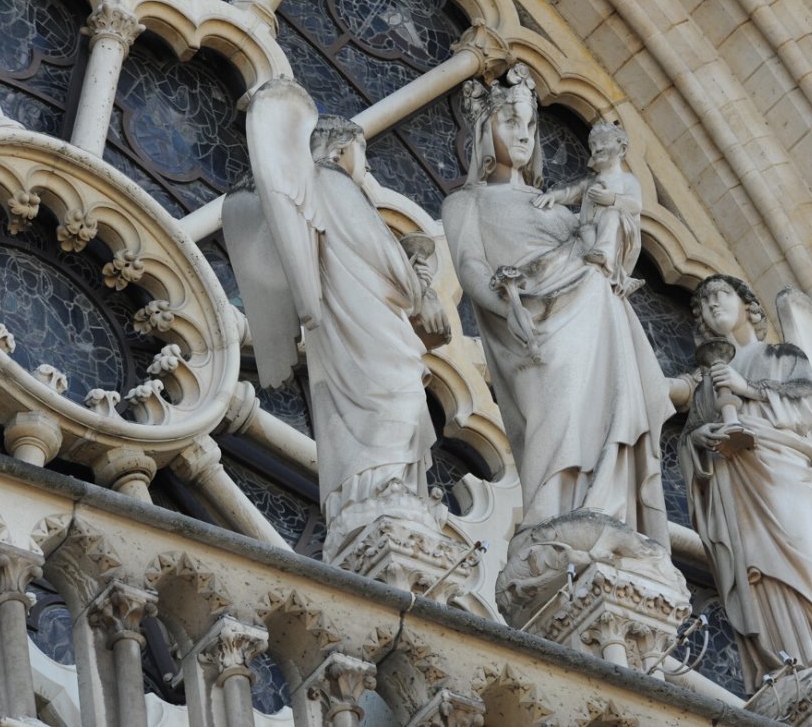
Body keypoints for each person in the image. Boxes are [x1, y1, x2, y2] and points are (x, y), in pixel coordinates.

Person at [442, 64, 673, 549]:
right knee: (556, 409)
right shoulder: (468, 203)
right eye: (510, 123)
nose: (523, 135)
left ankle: (602, 502)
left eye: (529, 126)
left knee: (603, 409)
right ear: (486, 132)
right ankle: (552, 508)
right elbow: (471, 267)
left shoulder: (557, 206)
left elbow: (605, 241)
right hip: (534, 322)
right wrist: (508, 309)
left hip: (593, 313)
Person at [224, 79, 449, 559]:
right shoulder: (332, 183)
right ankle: (381, 486)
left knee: (376, 409)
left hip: (358, 321)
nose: (366, 169)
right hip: (368, 325)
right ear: (345, 149)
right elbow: (378, 255)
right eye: (363, 155)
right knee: (395, 401)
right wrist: (416, 284)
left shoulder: (324, 191)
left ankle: (376, 489)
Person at [677, 274, 812, 690]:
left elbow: (809, 407)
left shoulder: (781, 355)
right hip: (733, 487)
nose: (712, 307)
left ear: (748, 306)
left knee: (805, 555)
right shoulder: (708, 382)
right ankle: (780, 663)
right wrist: (700, 439)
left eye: (720, 296)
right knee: (752, 569)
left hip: (779, 474)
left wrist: (749, 389)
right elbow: (692, 436)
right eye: (703, 305)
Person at [531, 122, 644, 296]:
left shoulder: (627, 180)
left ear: (621, 149)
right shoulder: (591, 181)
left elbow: (636, 205)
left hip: (616, 235)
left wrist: (612, 199)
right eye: (593, 145)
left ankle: (606, 257)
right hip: (588, 233)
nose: (597, 148)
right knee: (570, 225)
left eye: (604, 142)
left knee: (612, 214)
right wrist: (553, 196)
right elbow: (571, 192)